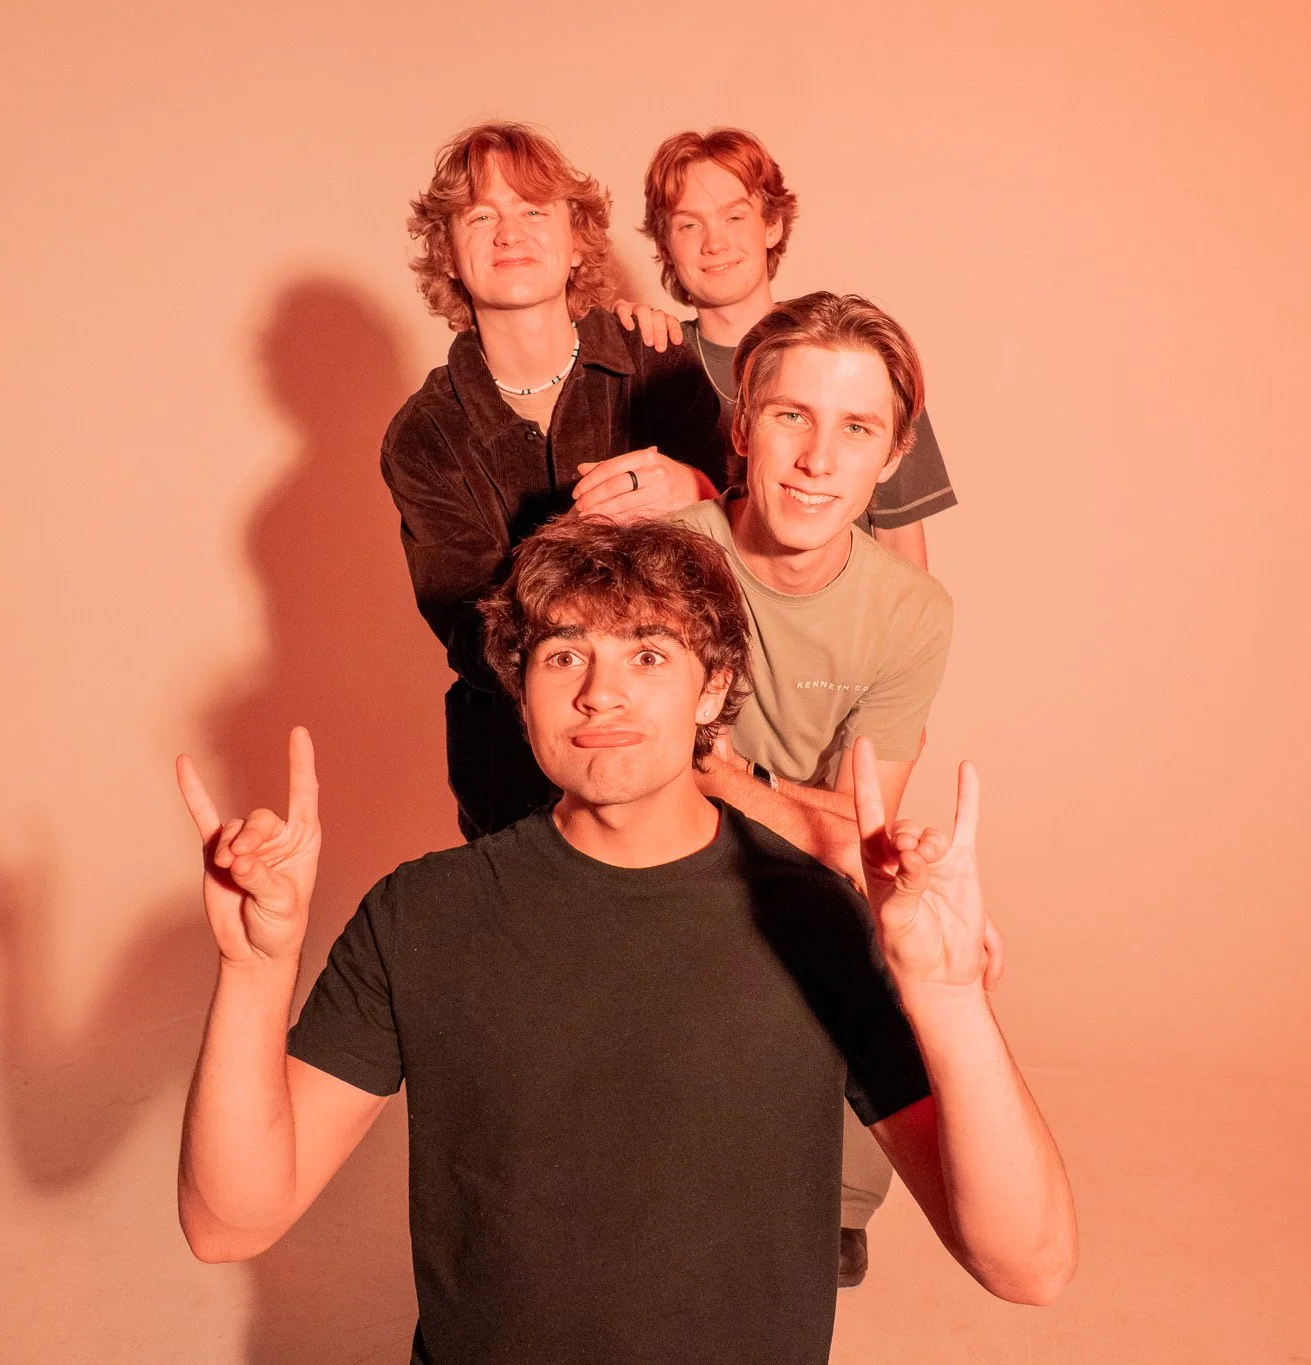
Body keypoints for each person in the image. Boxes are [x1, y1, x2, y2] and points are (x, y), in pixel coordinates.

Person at [173, 517, 1077, 1364]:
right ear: (521, 692)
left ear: (713, 688)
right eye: (565, 653)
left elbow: (1028, 1265)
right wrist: (256, 969)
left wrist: (952, 1000)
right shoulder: (424, 914)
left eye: (649, 653)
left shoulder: (820, 921)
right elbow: (230, 1222)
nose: (601, 692)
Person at [668, 290, 954, 1283]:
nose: (816, 460)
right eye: (790, 417)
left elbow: (862, 822)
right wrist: (783, 798)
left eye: (855, 429)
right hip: (657, 846)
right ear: (741, 427)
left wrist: (735, 780)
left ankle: (834, 1202)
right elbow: (626, 772)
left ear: (891, 455)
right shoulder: (667, 553)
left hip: (795, 859)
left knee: (876, 913)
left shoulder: (910, 611)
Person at [381, 121, 725, 840]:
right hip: (511, 782)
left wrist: (697, 491)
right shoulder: (423, 434)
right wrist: (588, 542)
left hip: (683, 768)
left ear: (577, 243)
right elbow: (471, 631)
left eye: (534, 211)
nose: (510, 232)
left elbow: (746, 565)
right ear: (449, 255)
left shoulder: (659, 366)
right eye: (482, 216)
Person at [624, 127, 959, 571]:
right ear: (666, 245)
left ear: (773, 225)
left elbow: (900, 543)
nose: (714, 242)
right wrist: (602, 329)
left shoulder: (858, 355)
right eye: (689, 224)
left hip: (835, 628)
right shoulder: (642, 364)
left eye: (735, 217)